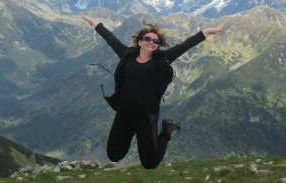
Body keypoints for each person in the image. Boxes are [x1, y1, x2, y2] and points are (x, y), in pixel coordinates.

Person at [82, 15, 225, 169]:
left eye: (156, 41)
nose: (152, 42)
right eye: (148, 39)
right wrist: (95, 23)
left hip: (146, 116)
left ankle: (167, 130)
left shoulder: (162, 59)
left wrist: (207, 32)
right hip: (124, 113)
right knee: (114, 154)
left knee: (150, 163)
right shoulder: (128, 55)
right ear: (140, 41)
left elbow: (185, 45)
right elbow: (111, 39)